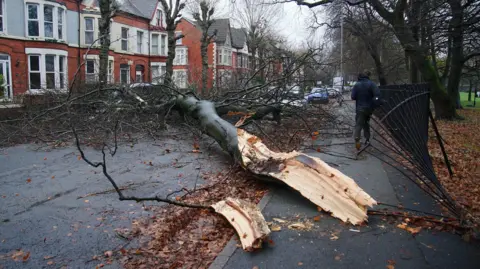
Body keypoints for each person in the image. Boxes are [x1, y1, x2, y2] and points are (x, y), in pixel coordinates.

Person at [351, 71, 380, 150]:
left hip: (360, 108)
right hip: (369, 108)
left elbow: (353, 97)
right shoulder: (372, 84)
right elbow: (377, 94)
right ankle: (367, 139)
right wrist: (375, 103)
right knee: (366, 123)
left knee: (359, 124)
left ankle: (357, 138)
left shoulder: (357, 85)